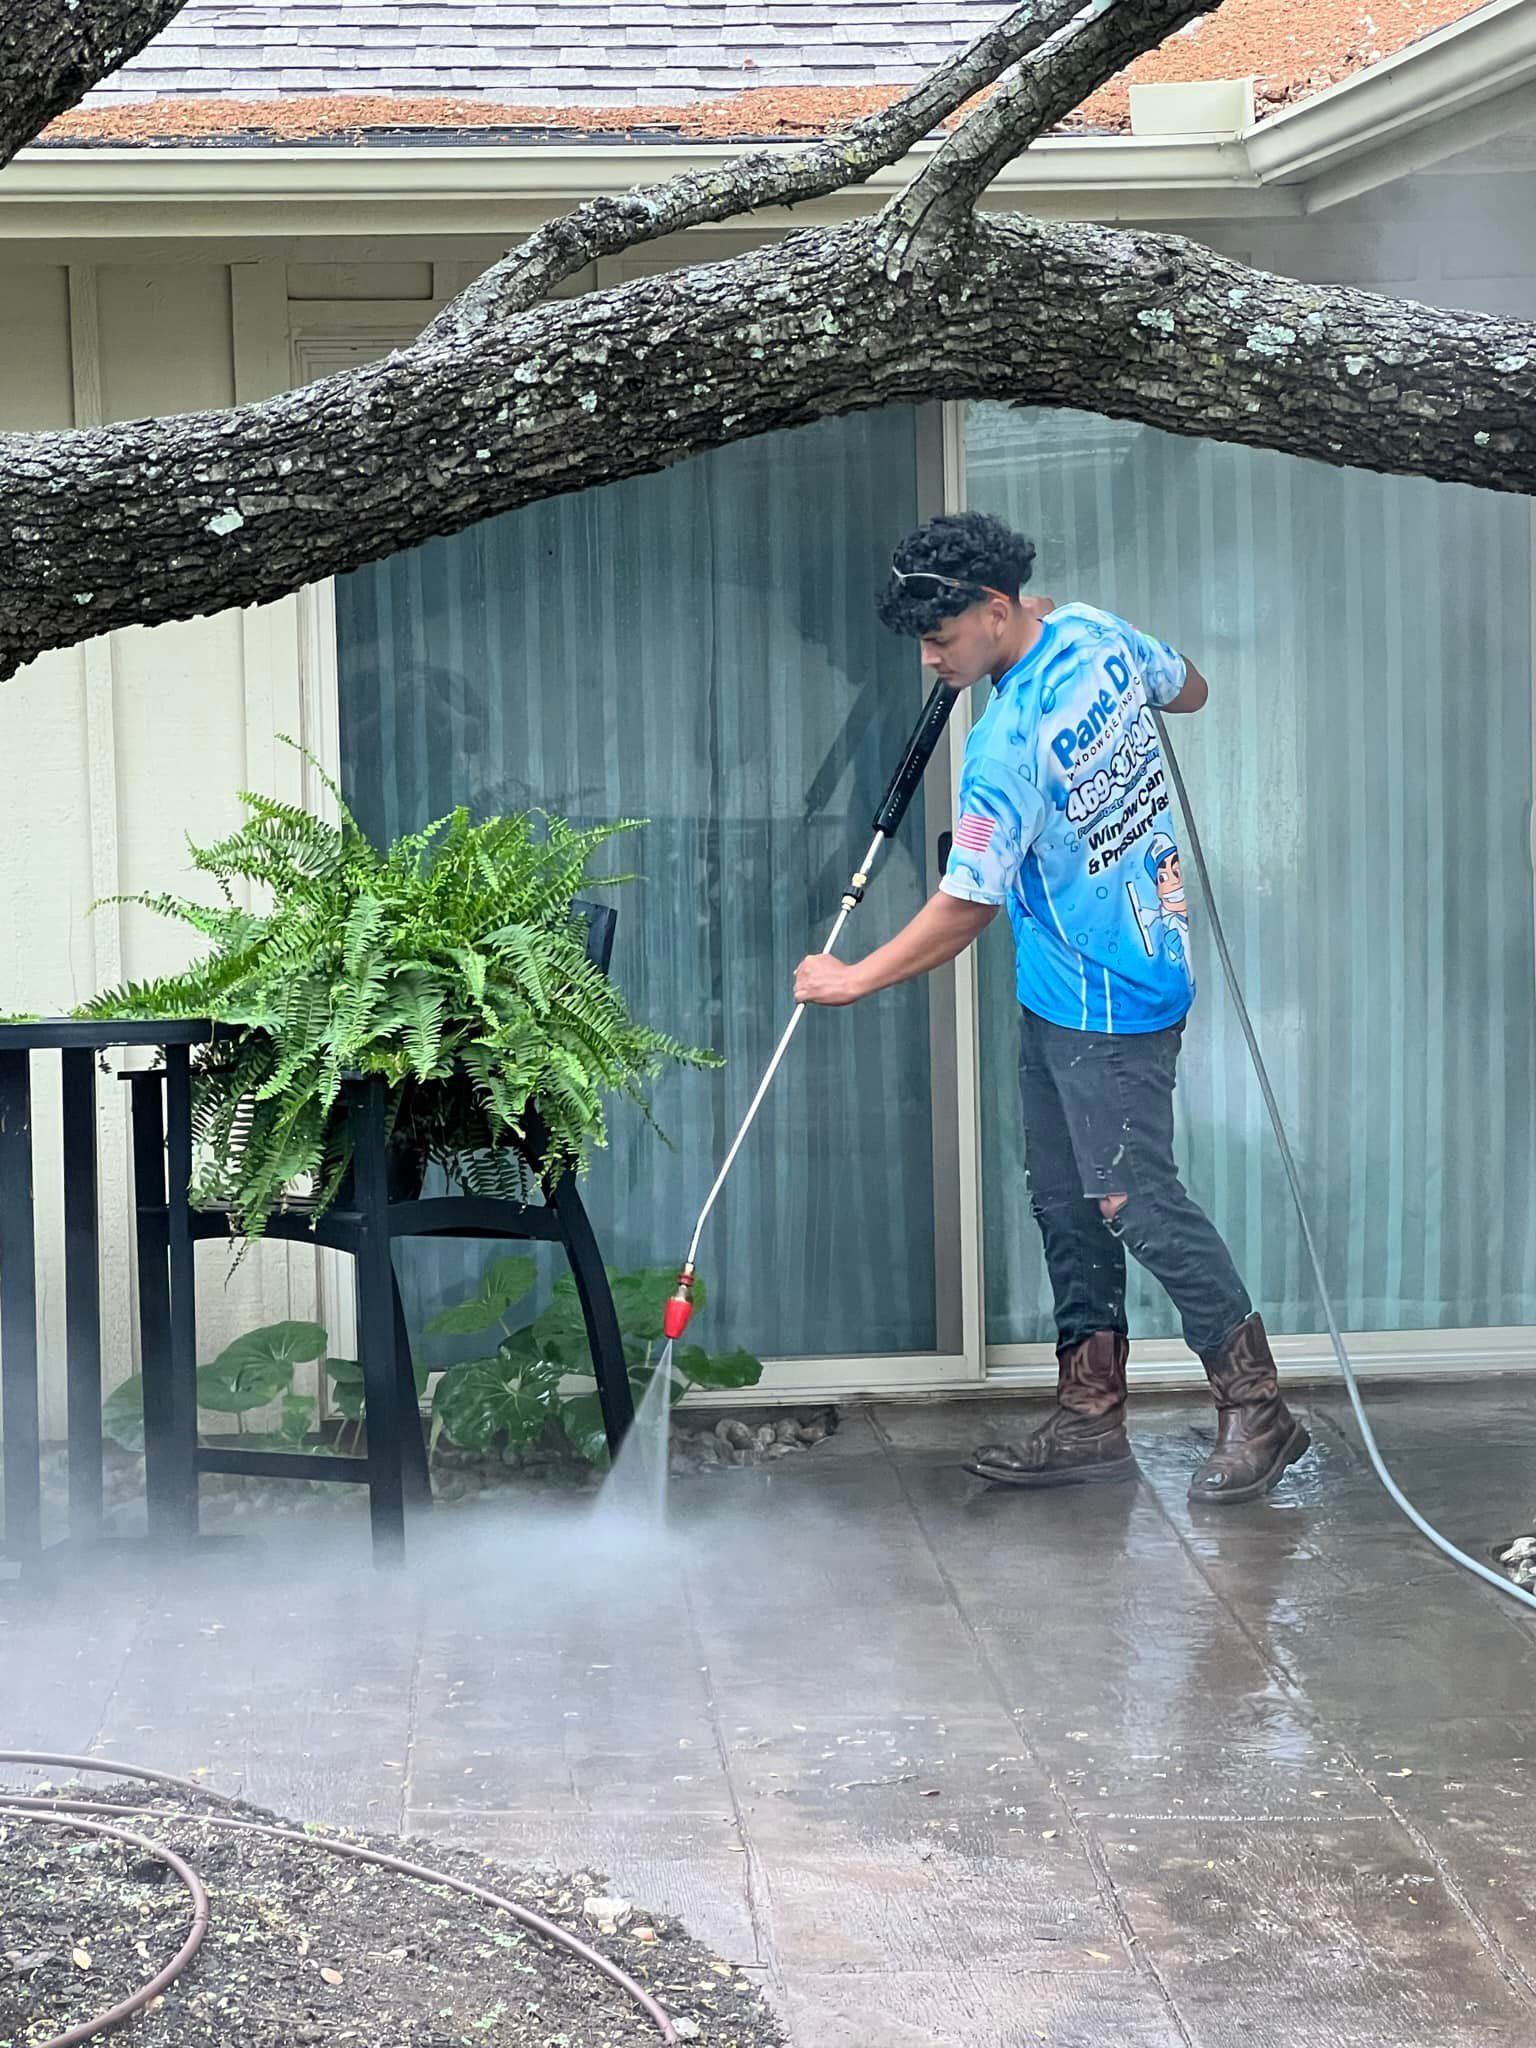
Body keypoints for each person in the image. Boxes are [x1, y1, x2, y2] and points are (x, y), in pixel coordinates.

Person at [793, 512, 1309, 1505]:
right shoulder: (1096, 632)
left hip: (1110, 996)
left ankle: (1259, 1406)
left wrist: (852, 976)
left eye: (941, 637)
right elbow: (1190, 685)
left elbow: (966, 906)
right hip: (1074, 983)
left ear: (995, 610)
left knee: (1135, 1202)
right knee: (1066, 1198)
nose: (930, 656)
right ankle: (1088, 1418)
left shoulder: (1004, 746)